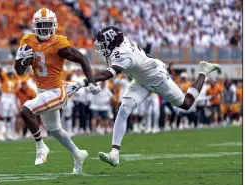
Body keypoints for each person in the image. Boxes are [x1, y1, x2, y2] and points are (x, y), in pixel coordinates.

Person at [71, 26, 220, 167]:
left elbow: (107, 74)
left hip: (156, 77)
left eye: (103, 43)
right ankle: (114, 153)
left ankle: (203, 71)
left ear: (113, 42)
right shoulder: (120, 45)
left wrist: (83, 82)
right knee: (123, 110)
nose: (101, 47)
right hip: (140, 79)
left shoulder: (123, 55)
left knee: (187, 103)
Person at [14, 8, 99, 173]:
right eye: (41, 25)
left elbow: (82, 58)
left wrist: (92, 81)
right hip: (42, 91)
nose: (44, 29)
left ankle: (40, 147)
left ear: (54, 26)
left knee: (26, 110)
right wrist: (19, 60)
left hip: (55, 92)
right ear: (35, 26)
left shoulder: (58, 44)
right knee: (55, 131)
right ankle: (78, 154)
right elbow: (19, 72)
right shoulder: (27, 40)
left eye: (48, 25)